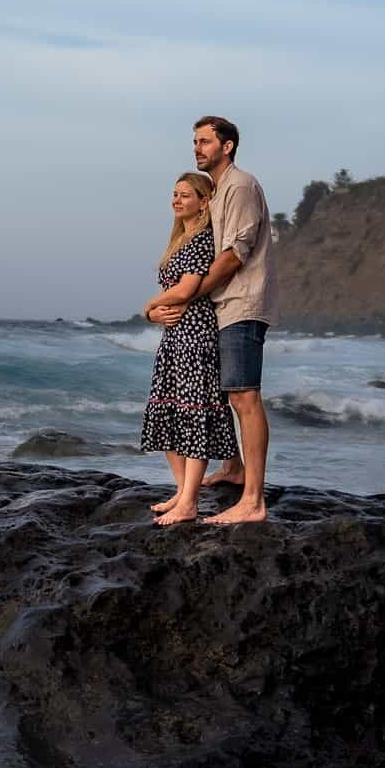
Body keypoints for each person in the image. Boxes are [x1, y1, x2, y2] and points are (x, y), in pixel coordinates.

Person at [159, 115, 276, 524]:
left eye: (206, 141)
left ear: (227, 146)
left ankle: (253, 501)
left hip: (242, 304)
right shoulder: (221, 190)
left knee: (245, 397)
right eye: (195, 141)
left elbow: (232, 255)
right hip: (224, 307)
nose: (197, 148)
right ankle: (234, 469)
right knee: (229, 394)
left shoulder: (240, 186)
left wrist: (190, 294)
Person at [140, 172, 240, 523]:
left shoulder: (202, 241)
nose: (177, 200)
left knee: (193, 414)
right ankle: (182, 493)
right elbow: (172, 301)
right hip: (173, 339)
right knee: (167, 413)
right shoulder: (178, 241)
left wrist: (149, 305)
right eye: (175, 194)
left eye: (185, 195)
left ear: (204, 202)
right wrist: (155, 317)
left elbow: (186, 290)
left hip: (196, 338)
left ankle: (189, 501)